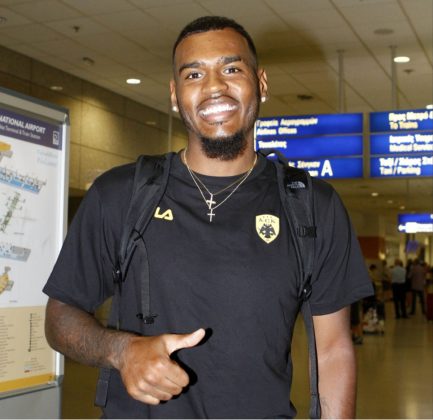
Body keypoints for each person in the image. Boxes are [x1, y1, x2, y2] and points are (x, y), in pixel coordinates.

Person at [43, 16, 374, 419]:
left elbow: (333, 350)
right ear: (175, 94)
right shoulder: (120, 195)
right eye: (194, 74)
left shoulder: (312, 206)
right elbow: (60, 318)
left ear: (261, 83)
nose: (215, 87)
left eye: (231, 69)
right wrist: (121, 350)